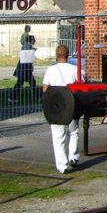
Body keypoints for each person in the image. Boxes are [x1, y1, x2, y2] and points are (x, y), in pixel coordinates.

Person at [42, 44, 80, 174]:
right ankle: (73, 157)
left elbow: (45, 89)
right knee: (73, 132)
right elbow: (80, 86)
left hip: (57, 107)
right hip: (72, 104)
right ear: (68, 55)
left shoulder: (50, 70)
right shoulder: (75, 69)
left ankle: (62, 166)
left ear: (56, 56)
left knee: (58, 137)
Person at [10, 26, 37, 101]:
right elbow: (26, 54)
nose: (35, 41)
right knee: (31, 83)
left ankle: (12, 97)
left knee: (21, 83)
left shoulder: (27, 44)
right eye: (34, 40)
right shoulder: (28, 44)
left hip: (24, 67)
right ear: (31, 40)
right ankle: (39, 97)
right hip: (25, 68)